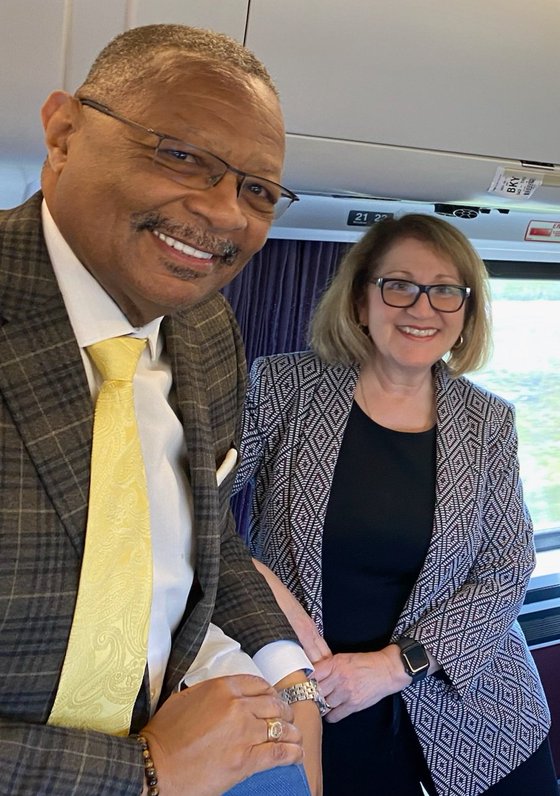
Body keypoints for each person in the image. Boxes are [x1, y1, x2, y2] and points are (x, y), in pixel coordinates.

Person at [0, 23, 326, 796]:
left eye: (257, 189)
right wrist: (146, 771)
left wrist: (292, 676)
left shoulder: (210, 333)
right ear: (63, 133)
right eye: (180, 154)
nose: (222, 213)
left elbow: (207, 536)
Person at [234, 214, 559, 796]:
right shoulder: (282, 388)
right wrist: (269, 591)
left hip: (469, 704)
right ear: (361, 300)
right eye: (399, 284)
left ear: (465, 313)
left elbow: (508, 568)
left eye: (445, 291)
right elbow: (190, 512)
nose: (422, 307)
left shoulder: (488, 421)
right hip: (314, 689)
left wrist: (394, 665)